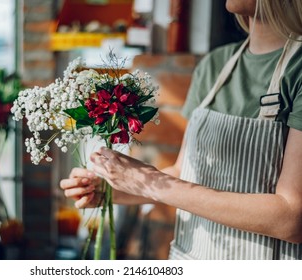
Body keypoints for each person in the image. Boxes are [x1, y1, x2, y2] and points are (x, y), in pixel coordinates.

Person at [60, 0, 302, 260]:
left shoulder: (296, 70)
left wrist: (149, 182)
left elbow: (291, 218)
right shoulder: (215, 66)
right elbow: (183, 173)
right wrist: (113, 190)